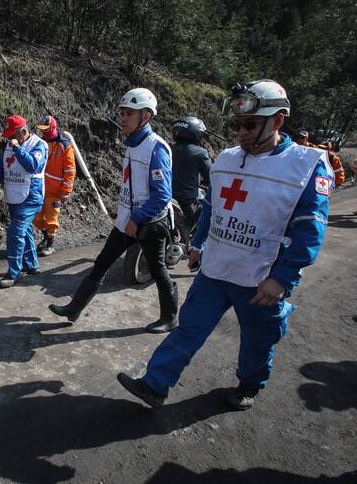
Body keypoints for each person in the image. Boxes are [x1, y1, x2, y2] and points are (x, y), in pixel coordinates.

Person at [117, 79, 332, 410]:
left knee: (258, 340)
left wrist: (283, 278)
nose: (242, 132)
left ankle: (250, 384)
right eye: (237, 125)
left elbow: (309, 229)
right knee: (189, 328)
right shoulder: (228, 159)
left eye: (250, 124)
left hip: (261, 279)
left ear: (277, 121)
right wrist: (198, 243)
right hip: (216, 269)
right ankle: (155, 384)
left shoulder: (306, 165)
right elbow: (212, 207)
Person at [48, 88, 178, 334]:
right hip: (127, 221)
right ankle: (74, 309)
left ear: (146, 117)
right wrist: (127, 217)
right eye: (122, 113)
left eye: (129, 113)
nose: (123, 118)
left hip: (149, 222)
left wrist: (137, 219)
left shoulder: (156, 147)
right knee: (102, 263)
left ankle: (170, 317)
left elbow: (162, 194)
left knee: (158, 270)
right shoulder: (132, 144)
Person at [0, 115, 48, 288]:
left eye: (12, 135)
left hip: (31, 196)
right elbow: (2, 167)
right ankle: (31, 265)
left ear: (24, 132)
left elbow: (33, 165)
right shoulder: (10, 144)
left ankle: (14, 272)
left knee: (15, 233)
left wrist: (18, 148)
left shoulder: (39, 145)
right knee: (24, 231)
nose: (9, 139)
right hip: (14, 195)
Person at [33, 114, 77, 256]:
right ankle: (46, 238)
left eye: (46, 129)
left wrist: (66, 190)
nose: (44, 131)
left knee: (52, 219)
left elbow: (70, 170)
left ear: (52, 127)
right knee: (37, 218)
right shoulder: (40, 142)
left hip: (55, 191)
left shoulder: (65, 145)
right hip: (40, 188)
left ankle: (50, 244)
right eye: (42, 129)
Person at [170, 116, 211, 241]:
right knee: (208, 213)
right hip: (186, 203)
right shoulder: (200, 153)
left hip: (164, 196)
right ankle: (196, 244)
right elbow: (211, 177)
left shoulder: (168, 148)